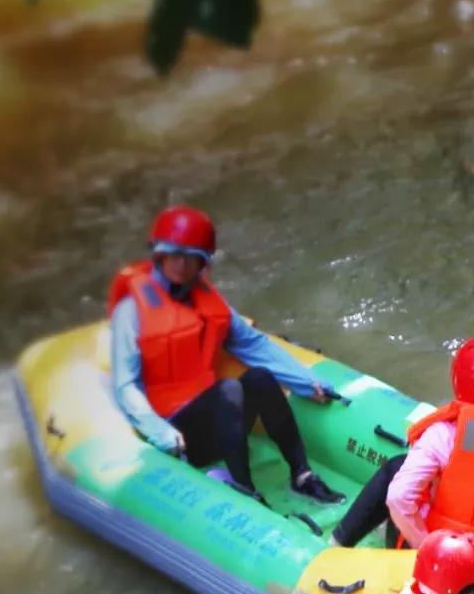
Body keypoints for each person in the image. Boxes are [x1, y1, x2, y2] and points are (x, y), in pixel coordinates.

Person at [109, 205, 343, 505]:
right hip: (175, 433)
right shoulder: (132, 311)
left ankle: (303, 476)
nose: (181, 264)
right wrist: (160, 432)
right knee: (229, 389)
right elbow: (125, 385)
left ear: (202, 262)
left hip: (218, 420)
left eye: (191, 257)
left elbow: (254, 345)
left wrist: (307, 381)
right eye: (174, 254)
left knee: (259, 378)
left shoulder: (209, 301)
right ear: (160, 254)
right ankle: (246, 490)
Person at [332, 335, 474, 548]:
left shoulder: (442, 434)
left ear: (458, 381)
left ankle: (339, 542)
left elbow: (398, 498)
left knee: (395, 468)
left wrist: (425, 546)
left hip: (446, 551)